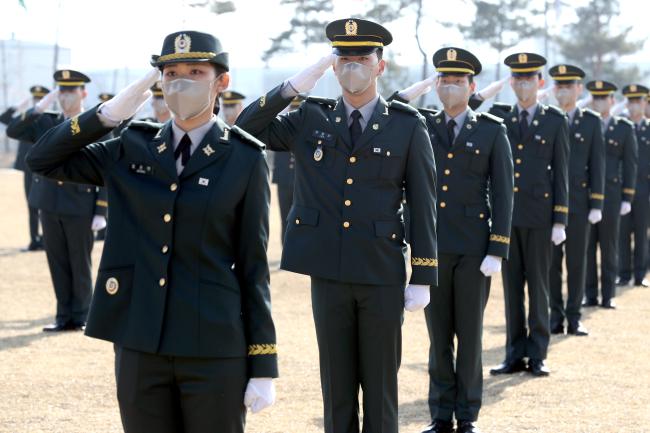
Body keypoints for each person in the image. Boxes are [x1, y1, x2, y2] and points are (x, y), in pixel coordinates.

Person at [27, 31, 278, 432]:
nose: (181, 82)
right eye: (171, 72)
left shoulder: (244, 159)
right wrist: (105, 116)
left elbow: (253, 265)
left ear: (221, 81)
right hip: (141, 341)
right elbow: (42, 159)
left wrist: (263, 362)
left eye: (196, 71)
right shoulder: (131, 147)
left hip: (213, 347)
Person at [235, 18, 438, 433]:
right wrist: (292, 86)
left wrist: (423, 274)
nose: (352, 67)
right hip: (327, 269)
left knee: (380, 388)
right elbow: (245, 128)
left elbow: (423, 202)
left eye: (362, 58)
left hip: (380, 270)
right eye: (343, 59)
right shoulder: (310, 117)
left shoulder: (406, 124)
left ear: (380, 66)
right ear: (331, 65)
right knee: (336, 387)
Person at [404, 48, 514, 433]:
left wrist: (497, 248)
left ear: (473, 86)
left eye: (457, 81)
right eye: (443, 80)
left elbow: (503, 194)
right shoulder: (421, 126)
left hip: (473, 249)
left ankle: (467, 415)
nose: (450, 87)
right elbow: (391, 107)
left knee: (469, 336)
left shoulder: (491, 130)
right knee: (438, 338)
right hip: (432, 250)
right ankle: (440, 414)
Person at [7, 70, 107, 332]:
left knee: (79, 262)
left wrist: (101, 209)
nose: (64, 96)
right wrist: (39, 106)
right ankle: (63, 315)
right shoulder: (46, 122)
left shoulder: (95, 123)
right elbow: (14, 129)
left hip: (80, 205)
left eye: (70, 90)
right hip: (49, 202)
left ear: (83, 93)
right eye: (61, 90)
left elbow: (107, 170)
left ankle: (82, 314)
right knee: (57, 262)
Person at [488, 53, 569, 377]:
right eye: (517, 78)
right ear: (511, 82)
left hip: (539, 217)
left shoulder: (554, 120)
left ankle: (537, 353)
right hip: (507, 218)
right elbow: (474, 102)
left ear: (540, 82)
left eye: (528, 78)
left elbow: (561, 171)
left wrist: (560, 219)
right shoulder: (501, 118)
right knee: (511, 290)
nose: (523, 84)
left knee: (538, 287)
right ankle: (513, 353)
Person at [548, 64, 605, 337]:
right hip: (548, 204)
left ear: (579, 89)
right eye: (558, 86)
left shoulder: (591, 121)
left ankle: (575, 316)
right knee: (550, 263)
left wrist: (597, 203)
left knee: (577, 261)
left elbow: (598, 165)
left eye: (568, 86)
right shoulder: (546, 119)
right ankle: (555, 316)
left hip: (580, 203)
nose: (563, 91)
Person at [584, 80, 638, 309]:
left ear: (612, 101)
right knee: (586, 247)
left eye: (603, 98)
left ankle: (608, 295)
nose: (599, 102)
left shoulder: (623, 127)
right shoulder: (584, 125)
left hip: (612, 195)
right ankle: (589, 294)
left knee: (609, 246)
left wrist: (627, 197)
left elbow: (630, 164)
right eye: (595, 97)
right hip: (585, 194)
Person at [0, 85, 49, 251]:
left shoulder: (50, 119)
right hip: (29, 168)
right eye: (34, 98)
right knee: (31, 204)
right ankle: (34, 239)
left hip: (45, 168)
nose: (36, 101)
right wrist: (19, 106)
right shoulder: (25, 119)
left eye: (40, 99)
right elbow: (4, 119)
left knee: (46, 205)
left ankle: (47, 239)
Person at [617, 84, 650, 288]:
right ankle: (624, 274)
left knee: (641, 233)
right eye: (630, 101)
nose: (634, 105)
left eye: (638, 101)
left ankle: (640, 274)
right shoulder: (621, 127)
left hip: (645, 190)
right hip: (622, 190)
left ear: (645, 102)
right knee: (621, 235)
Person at [271, 96, 301, 245]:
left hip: (301, 183)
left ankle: (299, 248)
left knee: (301, 217)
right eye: (293, 108)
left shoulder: (309, 131)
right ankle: (286, 246)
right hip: (283, 181)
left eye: (298, 108)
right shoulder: (283, 129)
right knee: (284, 216)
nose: (294, 111)